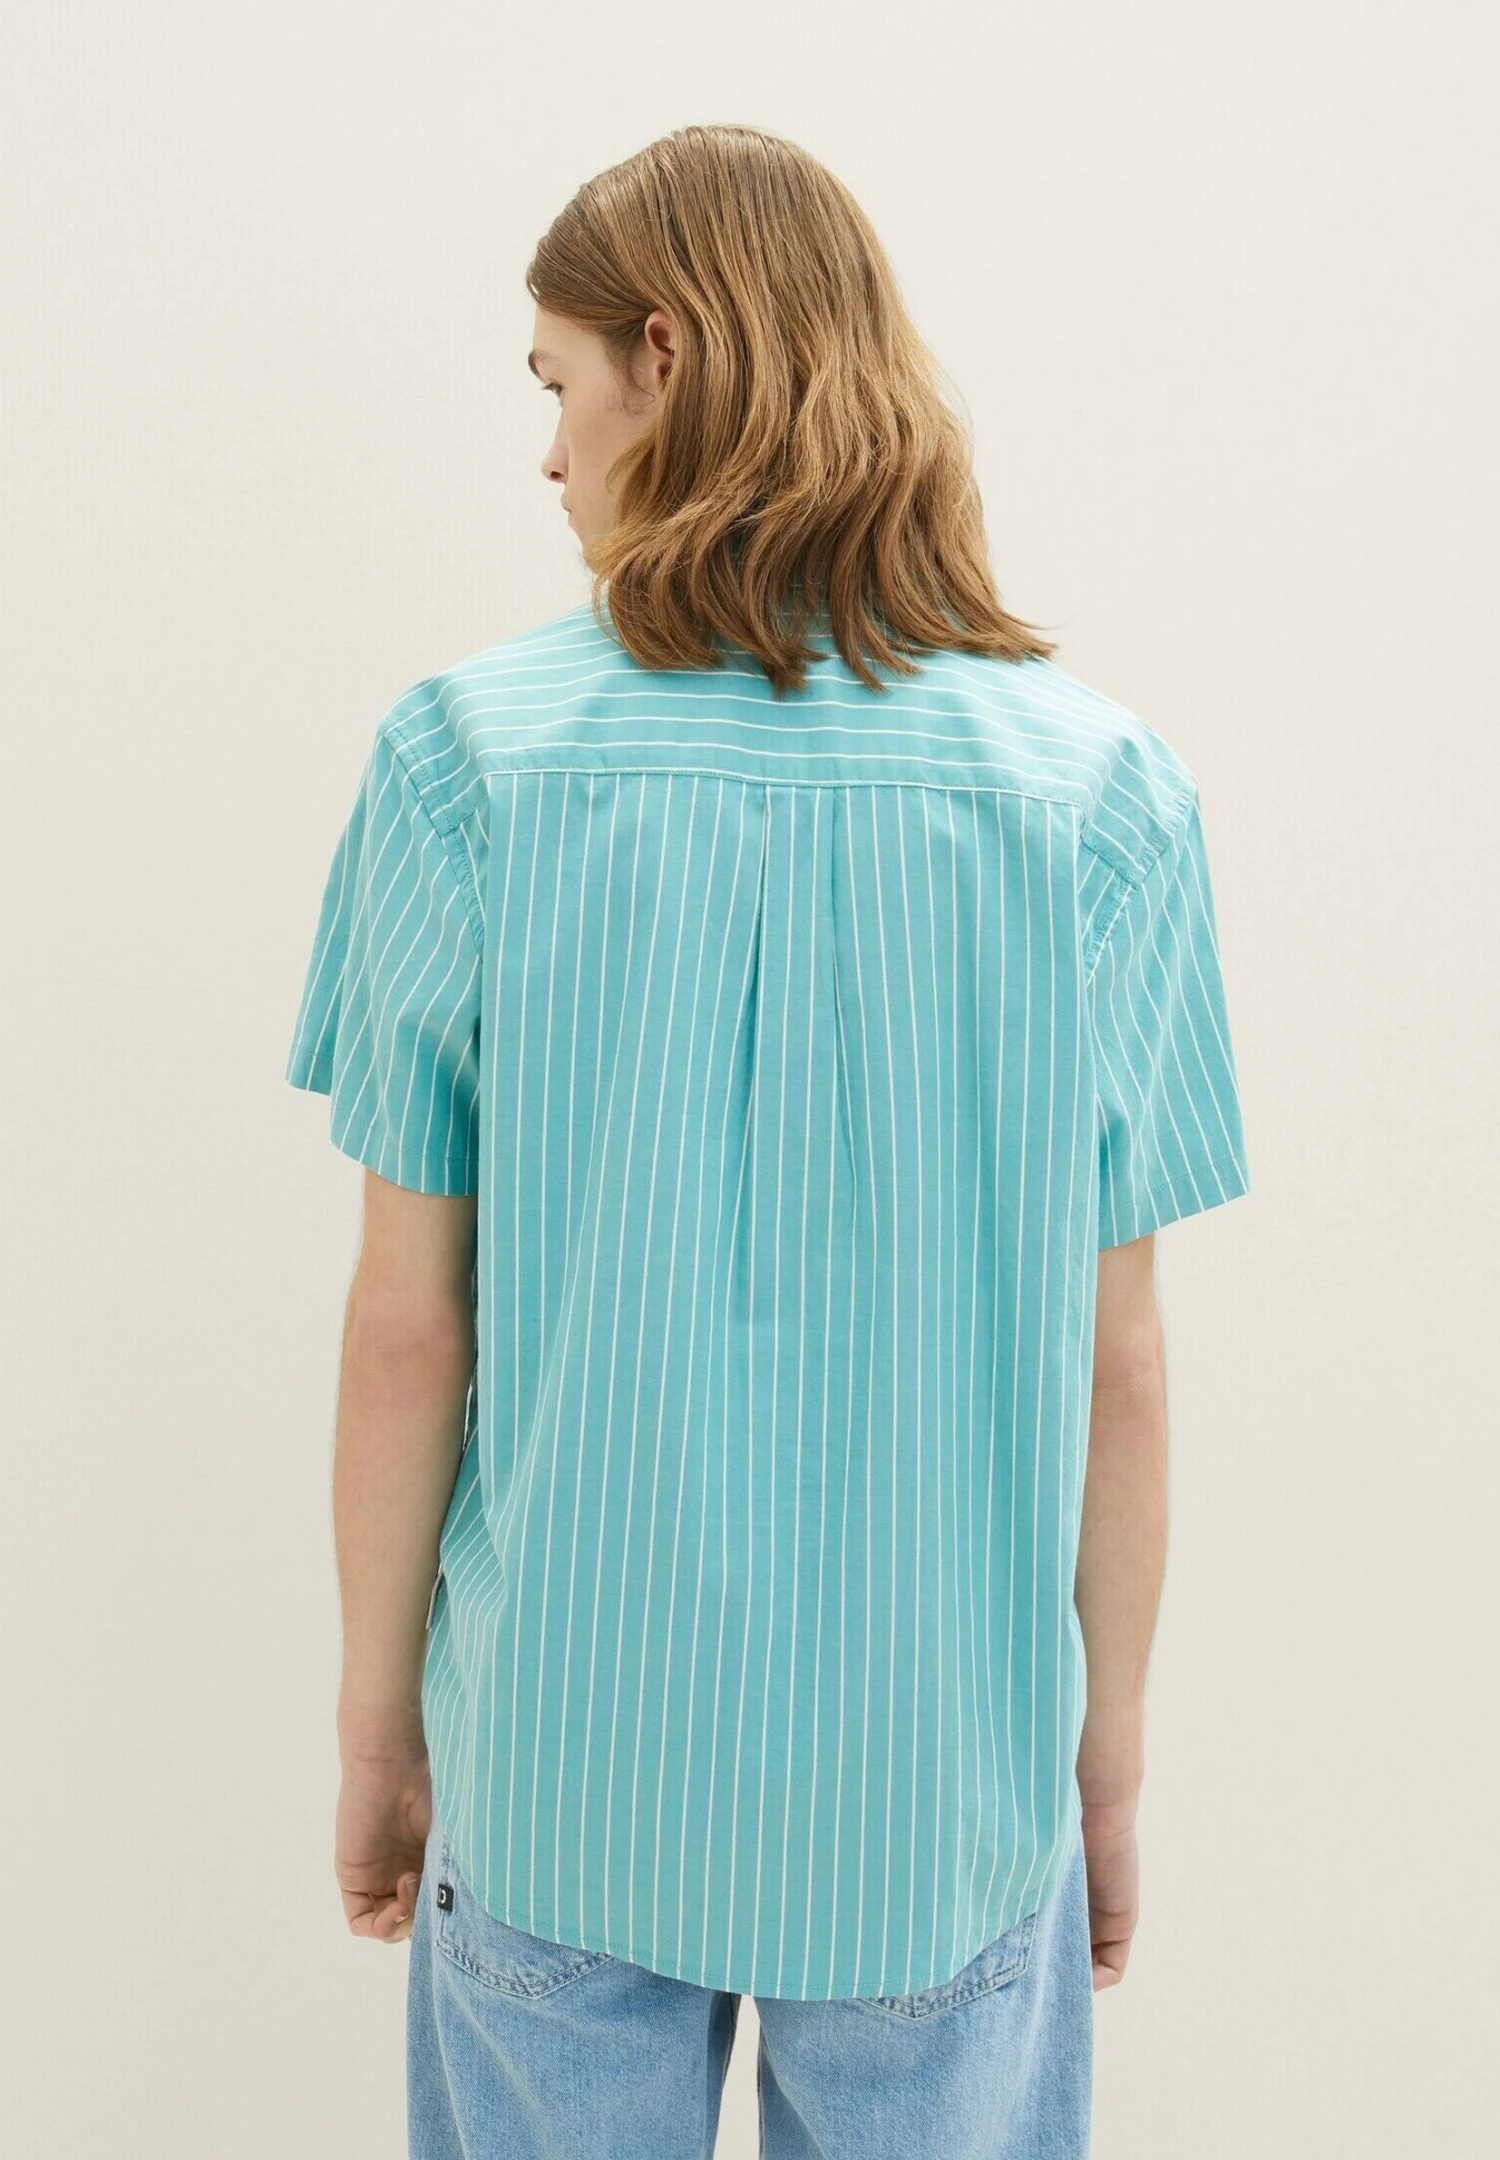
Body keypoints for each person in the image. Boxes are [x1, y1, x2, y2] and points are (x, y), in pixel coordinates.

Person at [285, 124, 1250, 2160]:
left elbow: (408, 1332)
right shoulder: (1101, 798)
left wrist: (378, 1725)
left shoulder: (463, 763)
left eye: (557, 385)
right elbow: (1123, 1365)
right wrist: (1106, 1762)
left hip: (560, 1771)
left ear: (664, 354)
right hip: (936, 1801)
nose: (550, 456)